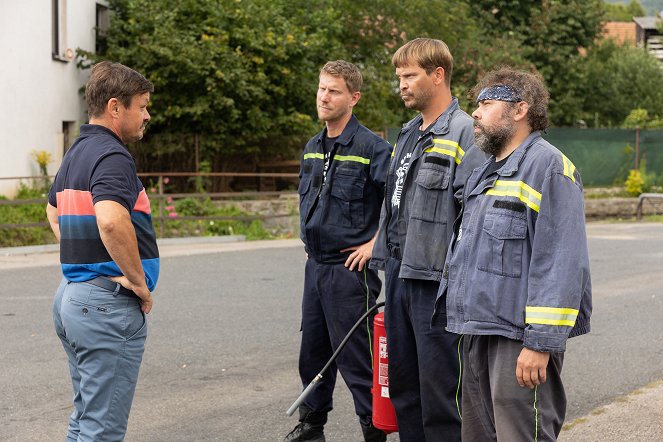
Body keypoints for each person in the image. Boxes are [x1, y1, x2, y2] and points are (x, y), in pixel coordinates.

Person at [434, 67, 592, 441]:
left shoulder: (549, 168)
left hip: (519, 343)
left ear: (519, 110)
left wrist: (539, 344)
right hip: (478, 331)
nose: (475, 113)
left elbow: (561, 263)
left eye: (487, 103)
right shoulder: (484, 172)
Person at [370, 38, 486, 441]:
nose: (401, 84)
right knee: (403, 389)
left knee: (441, 397)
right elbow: (394, 205)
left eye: (409, 75)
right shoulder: (406, 135)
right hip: (400, 274)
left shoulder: (466, 133)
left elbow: (474, 218)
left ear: (438, 75)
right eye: (398, 77)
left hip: (437, 287)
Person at [46, 61, 159, 441]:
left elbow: (52, 209)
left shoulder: (77, 152)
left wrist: (81, 251)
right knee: (101, 429)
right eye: (141, 106)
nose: (147, 115)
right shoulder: (112, 156)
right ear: (115, 107)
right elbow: (111, 220)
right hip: (105, 305)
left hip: (73, 299)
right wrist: (138, 283)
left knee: (85, 419)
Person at [286, 60, 392, 442]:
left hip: (350, 274)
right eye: (321, 88)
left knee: (357, 359)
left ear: (354, 97)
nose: (324, 97)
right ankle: (312, 428)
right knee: (312, 354)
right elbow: (310, 201)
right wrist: (309, 242)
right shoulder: (314, 147)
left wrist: (374, 244)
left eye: (334, 91)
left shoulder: (374, 149)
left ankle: (373, 431)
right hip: (316, 268)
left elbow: (397, 205)